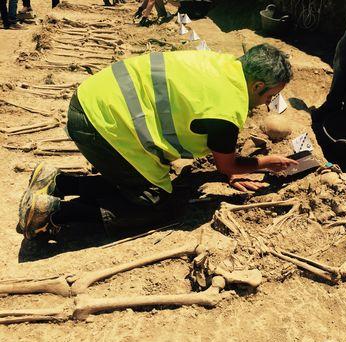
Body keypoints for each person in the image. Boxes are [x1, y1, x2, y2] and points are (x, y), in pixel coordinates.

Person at [17, 44, 297, 240]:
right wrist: (264, 163)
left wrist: (231, 170)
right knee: (157, 201)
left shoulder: (222, 64)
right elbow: (227, 163)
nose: (268, 103)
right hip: (102, 125)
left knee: (143, 179)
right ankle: (53, 214)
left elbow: (225, 163)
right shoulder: (228, 108)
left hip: (92, 99)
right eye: (270, 96)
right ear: (258, 86)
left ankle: (57, 182)